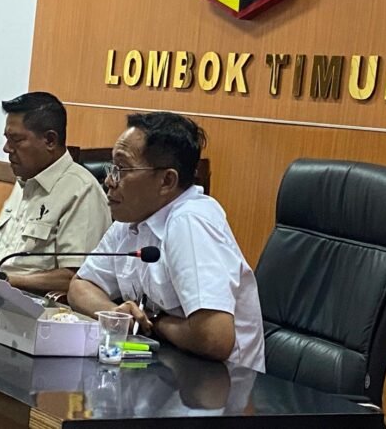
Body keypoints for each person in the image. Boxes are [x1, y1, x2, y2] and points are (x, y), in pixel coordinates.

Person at [68, 112, 265, 372]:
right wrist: (116, 315)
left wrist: (154, 322)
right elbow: (80, 286)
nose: (109, 180)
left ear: (166, 181)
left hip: (221, 384)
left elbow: (215, 337)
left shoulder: (191, 222)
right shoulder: (132, 219)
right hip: (162, 370)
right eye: (112, 168)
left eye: (122, 169)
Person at [0, 92, 111, 294]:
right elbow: (10, 236)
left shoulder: (82, 191)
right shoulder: (28, 176)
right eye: (7, 139)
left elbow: (76, 279)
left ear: (50, 140)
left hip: (34, 305)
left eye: (16, 140)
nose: (7, 148)